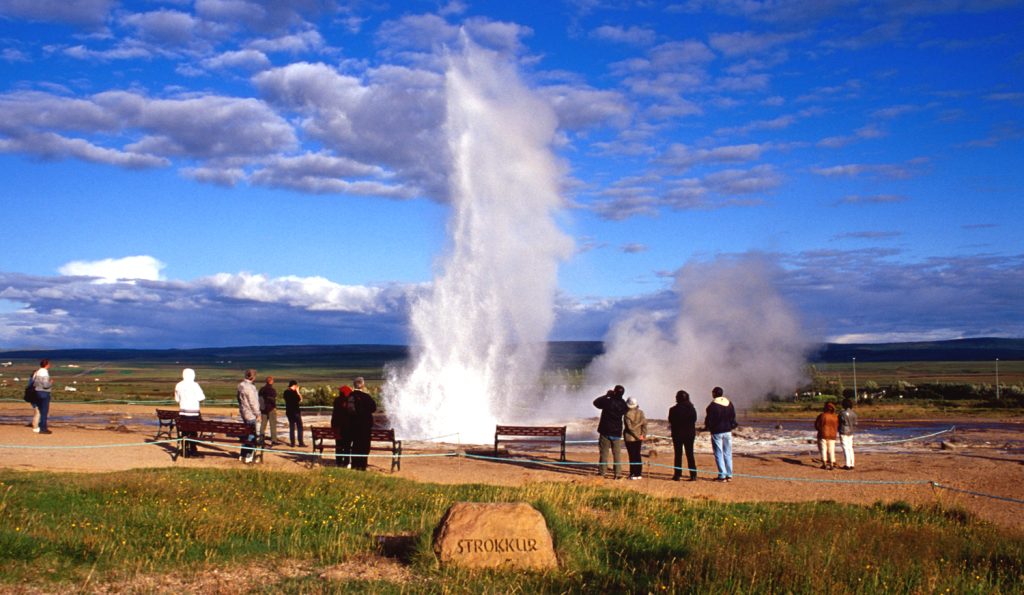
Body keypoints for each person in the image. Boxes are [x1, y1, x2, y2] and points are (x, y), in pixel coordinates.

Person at [593, 385, 629, 479]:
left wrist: (607, 395)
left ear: (614, 391)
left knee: (604, 453)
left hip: (605, 431)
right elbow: (626, 410)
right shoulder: (622, 403)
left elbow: (595, 403)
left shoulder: (608, 401)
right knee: (617, 454)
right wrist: (618, 397)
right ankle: (617, 474)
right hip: (616, 432)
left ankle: (602, 472)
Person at [704, 386, 737, 482]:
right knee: (728, 453)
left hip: (717, 432)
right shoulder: (729, 403)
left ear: (714, 394)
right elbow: (733, 417)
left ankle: (722, 475)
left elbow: (709, 420)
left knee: (718, 453)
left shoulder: (712, 405)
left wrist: (708, 427)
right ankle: (729, 475)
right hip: (728, 431)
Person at [348, 377, 378, 471]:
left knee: (355, 446)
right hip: (365, 426)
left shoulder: (349, 396)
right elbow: (373, 408)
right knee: (364, 446)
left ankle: (354, 465)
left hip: (353, 425)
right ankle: (362, 465)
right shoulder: (366, 397)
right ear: (362, 385)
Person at [174, 368, 205, 457]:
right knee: (193, 432)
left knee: (184, 432)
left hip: (183, 413)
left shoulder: (178, 385)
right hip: (194, 413)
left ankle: (184, 450)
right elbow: (201, 397)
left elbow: (177, 399)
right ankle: (193, 450)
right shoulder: (195, 385)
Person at [668, 390, 698, 481]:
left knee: (678, 455)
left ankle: (677, 475)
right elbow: (694, 420)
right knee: (690, 455)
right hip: (689, 434)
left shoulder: (673, 409)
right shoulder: (692, 409)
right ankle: (693, 475)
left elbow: (671, 420)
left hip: (677, 434)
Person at [237, 369, 260, 464]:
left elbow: (238, 398)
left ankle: (242, 454)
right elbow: (253, 402)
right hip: (250, 414)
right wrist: (257, 414)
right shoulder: (250, 388)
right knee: (251, 435)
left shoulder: (240, 385)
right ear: (253, 377)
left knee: (246, 434)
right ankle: (248, 455)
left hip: (243, 412)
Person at [623, 397, 647, 480]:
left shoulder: (626, 414)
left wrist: (637, 437)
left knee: (632, 456)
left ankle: (633, 474)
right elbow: (644, 424)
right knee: (637, 455)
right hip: (639, 438)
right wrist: (642, 435)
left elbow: (629, 428)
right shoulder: (641, 412)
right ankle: (639, 473)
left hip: (630, 438)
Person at [331, 385, 354, 467]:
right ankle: (346, 462)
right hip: (347, 427)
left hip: (337, 426)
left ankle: (338, 462)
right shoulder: (350, 401)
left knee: (339, 445)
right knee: (347, 446)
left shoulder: (336, 401)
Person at [30, 359, 53, 434]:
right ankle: (43, 428)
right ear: (46, 365)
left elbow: (33, 383)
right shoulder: (44, 373)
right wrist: (51, 383)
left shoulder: (37, 372)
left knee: (39, 411)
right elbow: (45, 385)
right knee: (44, 411)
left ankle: (38, 426)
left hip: (37, 392)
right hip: (44, 393)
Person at [815, 401, 840, 471]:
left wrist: (820, 430)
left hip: (822, 434)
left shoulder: (822, 415)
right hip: (832, 435)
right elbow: (837, 426)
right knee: (831, 450)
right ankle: (831, 464)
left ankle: (824, 464)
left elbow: (817, 425)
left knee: (823, 449)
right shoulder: (835, 417)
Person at [283, 380, 306, 448]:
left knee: (292, 427)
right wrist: (298, 392)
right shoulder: (295, 393)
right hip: (296, 412)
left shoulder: (285, 392)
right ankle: (300, 442)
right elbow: (300, 400)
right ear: (294, 386)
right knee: (299, 427)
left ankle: (292, 443)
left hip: (289, 412)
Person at [258, 376, 279, 447]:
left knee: (263, 425)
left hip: (263, 409)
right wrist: (274, 407)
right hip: (271, 409)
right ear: (271, 381)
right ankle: (274, 440)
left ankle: (261, 439)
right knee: (272, 425)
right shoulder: (272, 390)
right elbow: (273, 400)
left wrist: (261, 407)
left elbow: (260, 399)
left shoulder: (261, 389)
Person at [839, 398, 858, 470]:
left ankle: (847, 464)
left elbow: (840, 421)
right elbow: (855, 423)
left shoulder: (842, 413)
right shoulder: (854, 413)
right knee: (850, 448)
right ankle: (852, 463)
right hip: (851, 431)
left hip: (843, 431)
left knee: (845, 447)